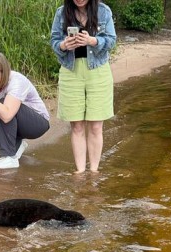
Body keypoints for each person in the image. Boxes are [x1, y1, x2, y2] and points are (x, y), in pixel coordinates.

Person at [50, 0, 116, 174]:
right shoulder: (61, 12)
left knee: (96, 126)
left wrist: (92, 41)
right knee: (77, 126)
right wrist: (64, 45)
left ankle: (94, 171)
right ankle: (80, 171)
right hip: (71, 71)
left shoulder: (103, 11)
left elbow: (111, 40)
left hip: (98, 71)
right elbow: (54, 41)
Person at [0, 52, 50, 169]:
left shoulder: (16, 81)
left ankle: (8, 157)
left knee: (4, 105)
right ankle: (16, 145)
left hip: (37, 123)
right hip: (13, 118)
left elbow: (6, 115)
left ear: (3, 73)